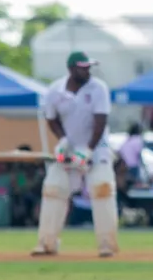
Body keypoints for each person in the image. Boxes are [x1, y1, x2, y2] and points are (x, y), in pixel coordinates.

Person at [33, 51, 118, 257]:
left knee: (102, 189)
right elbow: (51, 119)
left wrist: (88, 150)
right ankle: (47, 243)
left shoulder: (98, 88)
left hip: (97, 147)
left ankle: (107, 244)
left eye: (88, 67)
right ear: (71, 69)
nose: (87, 70)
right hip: (70, 146)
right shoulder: (55, 91)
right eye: (83, 67)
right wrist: (62, 141)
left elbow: (100, 122)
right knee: (53, 189)